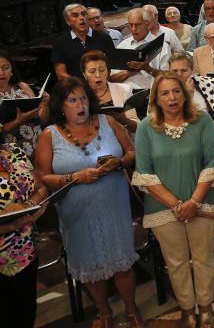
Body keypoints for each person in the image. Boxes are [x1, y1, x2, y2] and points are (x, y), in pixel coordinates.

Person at [34, 77, 143, 328]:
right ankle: (103, 310)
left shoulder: (108, 122)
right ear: (61, 106)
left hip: (113, 205)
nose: (80, 104)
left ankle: (130, 308)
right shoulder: (49, 135)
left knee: (122, 261)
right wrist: (74, 177)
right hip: (77, 211)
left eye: (83, 98)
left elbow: (131, 152)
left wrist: (119, 162)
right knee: (88, 261)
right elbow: (43, 177)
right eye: (72, 100)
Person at [132, 72, 214, 328]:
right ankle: (187, 309)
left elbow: (212, 163)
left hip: (204, 204)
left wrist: (193, 203)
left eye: (176, 91)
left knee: (203, 259)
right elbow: (145, 173)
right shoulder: (145, 128)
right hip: (164, 210)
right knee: (175, 263)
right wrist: (177, 206)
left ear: (184, 95)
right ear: (156, 99)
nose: (171, 97)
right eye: (164, 93)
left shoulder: (203, 121)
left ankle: (205, 307)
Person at [0, 141, 49, 328]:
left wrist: (28, 206)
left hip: (25, 252)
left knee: (25, 314)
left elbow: (41, 188)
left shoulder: (12, 151)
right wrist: (9, 224)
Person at [52, 3, 116, 80]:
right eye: (75, 15)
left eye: (84, 14)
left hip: (103, 82)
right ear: (68, 21)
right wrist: (83, 85)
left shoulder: (104, 37)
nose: (81, 17)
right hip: (77, 87)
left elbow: (113, 65)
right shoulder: (60, 43)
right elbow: (61, 74)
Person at [0, 52, 46, 157]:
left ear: (11, 71)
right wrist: (19, 121)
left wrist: (44, 104)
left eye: (5, 68)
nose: (1, 72)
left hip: (39, 141)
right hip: (13, 152)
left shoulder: (23, 87)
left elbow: (42, 119)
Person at [81, 50, 138, 133]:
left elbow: (136, 127)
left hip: (124, 139)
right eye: (92, 71)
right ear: (84, 74)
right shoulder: (80, 97)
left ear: (108, 71)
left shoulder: (124, 90)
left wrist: (124, 120)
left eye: (102, 70)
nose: (98, 75)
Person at [115, 8, 171, 90]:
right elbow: (111, 79)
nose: (133, 29)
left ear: (148, 25)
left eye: (137, 25)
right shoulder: (122, 46)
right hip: (125, 93)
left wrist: (147, 68)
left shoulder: (162, 46)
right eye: (130, 25)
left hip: (150, 92)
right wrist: (128, 73)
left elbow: (168, 77)